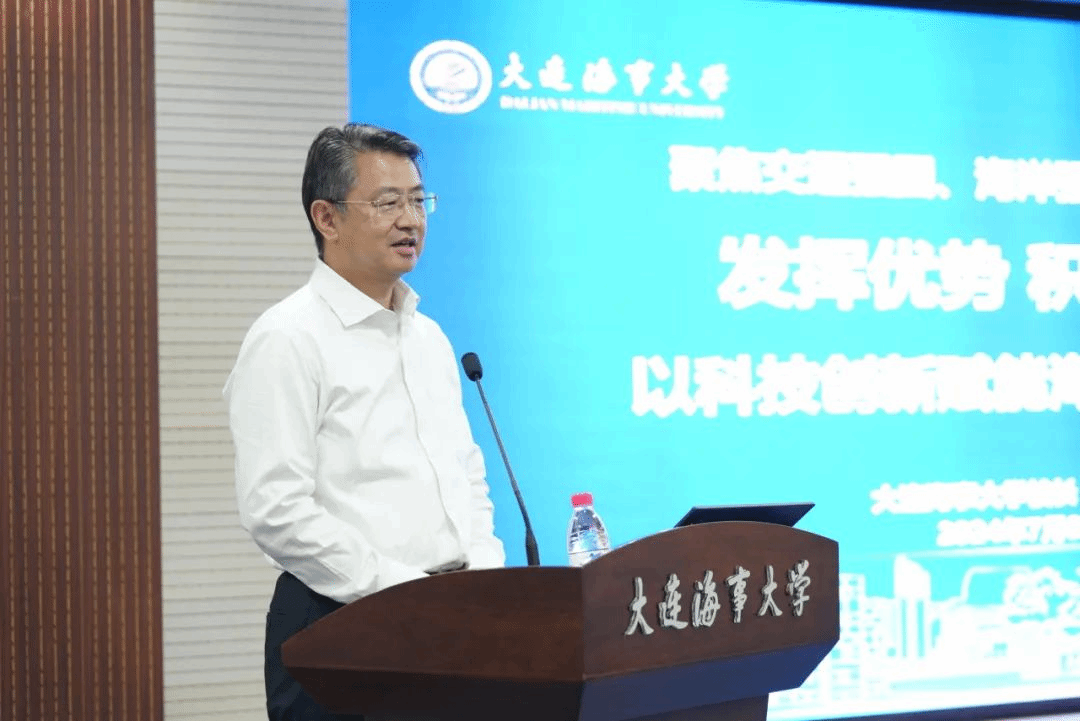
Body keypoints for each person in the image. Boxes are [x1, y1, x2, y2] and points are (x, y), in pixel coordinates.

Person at [223, 123, 506, 721]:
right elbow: (276, 509)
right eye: (387, 203)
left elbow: (466, 476)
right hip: (341, 628)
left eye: (418, 200)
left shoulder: (428, 337)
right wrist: (404, 593)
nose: (411, 221)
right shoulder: (288, 338)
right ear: (326, 217)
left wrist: (480, 585)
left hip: (453, 623)